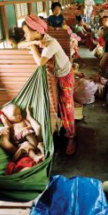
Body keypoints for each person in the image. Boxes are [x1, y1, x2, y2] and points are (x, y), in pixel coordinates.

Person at [18, 14, 76, 155]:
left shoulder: (52, 43)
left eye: (27, 33)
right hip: (56, 75)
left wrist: (32, 47)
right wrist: (33, 43)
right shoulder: (38, 39)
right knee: (59, 104)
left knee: (67, 105)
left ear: (37, 32)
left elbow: (40, 63)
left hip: (65, 75)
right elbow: (19, 45)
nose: (25, 36)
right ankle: (64, 128)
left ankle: (71, 137)